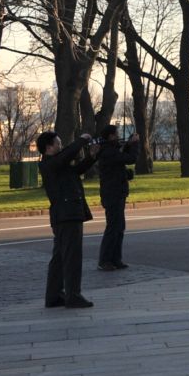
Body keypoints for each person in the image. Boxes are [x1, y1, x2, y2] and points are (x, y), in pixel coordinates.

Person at [37, 130, 94, 308]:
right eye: (58, 143)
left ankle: (54, 295)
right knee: (72, 257)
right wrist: (81, 140)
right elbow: (67, 155)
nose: (61, 147)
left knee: (60, 257)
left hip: (65, 214)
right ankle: (73, 295)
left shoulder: (56, 164)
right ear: (49, 147)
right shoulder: (50, 163)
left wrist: (92, 156)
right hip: (67, 215)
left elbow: (77, 171)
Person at [93, 126, 135, 271]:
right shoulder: (109, 152)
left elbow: (122, 161)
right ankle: (105, 260)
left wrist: (128, 145)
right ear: (111, 136)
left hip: (116, 192)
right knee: (113, 227)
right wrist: (134, 145)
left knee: (119, 227)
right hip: (113, 193)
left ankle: (115, 259)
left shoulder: (110, 150)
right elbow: (130, 159)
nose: (118, 137)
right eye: (116, 134)